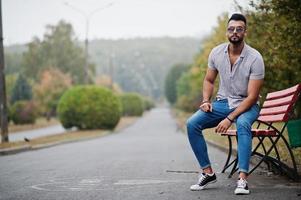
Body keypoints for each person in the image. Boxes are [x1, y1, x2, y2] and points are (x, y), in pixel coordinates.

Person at [186, 13, 264, 195]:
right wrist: (205, 100)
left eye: (239, 29)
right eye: (231, 29)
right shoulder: (216, 53)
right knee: (192, 124)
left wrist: (230, 118)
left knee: (243, 124)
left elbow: (252, 97)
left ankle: (243, 179)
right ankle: (207, 172)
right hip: (222, 103)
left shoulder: (255, 58)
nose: (234, 32)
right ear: (226, 32)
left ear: (245, 32)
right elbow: (209, 80)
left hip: (247, 105)